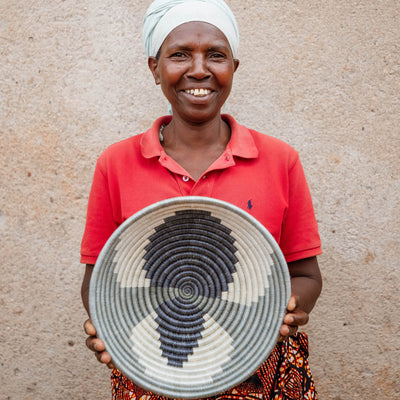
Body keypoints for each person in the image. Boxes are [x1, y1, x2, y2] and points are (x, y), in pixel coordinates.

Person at [80, 0, 323, 399]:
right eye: (179, 55)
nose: (198, 69)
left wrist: (288, 307)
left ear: (234, 68)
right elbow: (98, 278)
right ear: (154, 68)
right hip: (153, 369)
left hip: (262, 370)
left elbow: (307, 274)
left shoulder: (280, 160)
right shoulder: (116, 163)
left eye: (215, 55)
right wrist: (112, 326)